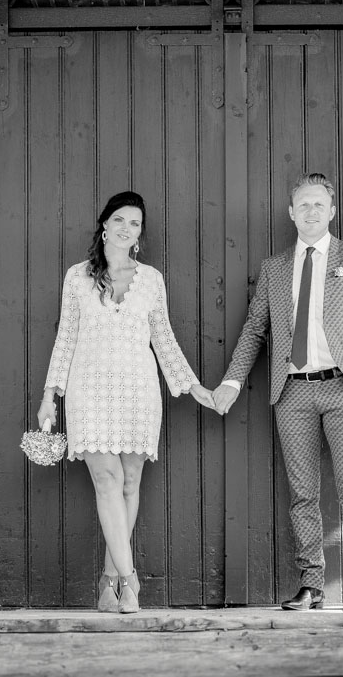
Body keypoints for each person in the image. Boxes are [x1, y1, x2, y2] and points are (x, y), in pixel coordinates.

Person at [212, 173, 343, 610]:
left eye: (318, 204)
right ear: (291, 213)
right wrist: (232, 380)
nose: (310, 211)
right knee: (302, 494)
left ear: (331, 212)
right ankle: (311, 585)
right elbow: (255, 328)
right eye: (302, 204)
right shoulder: (274, 268)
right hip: (291, 394)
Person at [37, 191, 214, 614]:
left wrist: (195, 387)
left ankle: (108, 581)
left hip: (138, 389)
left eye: (135, 223)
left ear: (140, 233)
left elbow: (164, 338)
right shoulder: (77, 277)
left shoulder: (151, 279)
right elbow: (66, 338)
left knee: (130, 484)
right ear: (104, 225)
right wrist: (50, 396)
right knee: (106, 479)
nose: (126, 228)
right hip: (89, 389)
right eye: (119, 219)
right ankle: (131, 580)